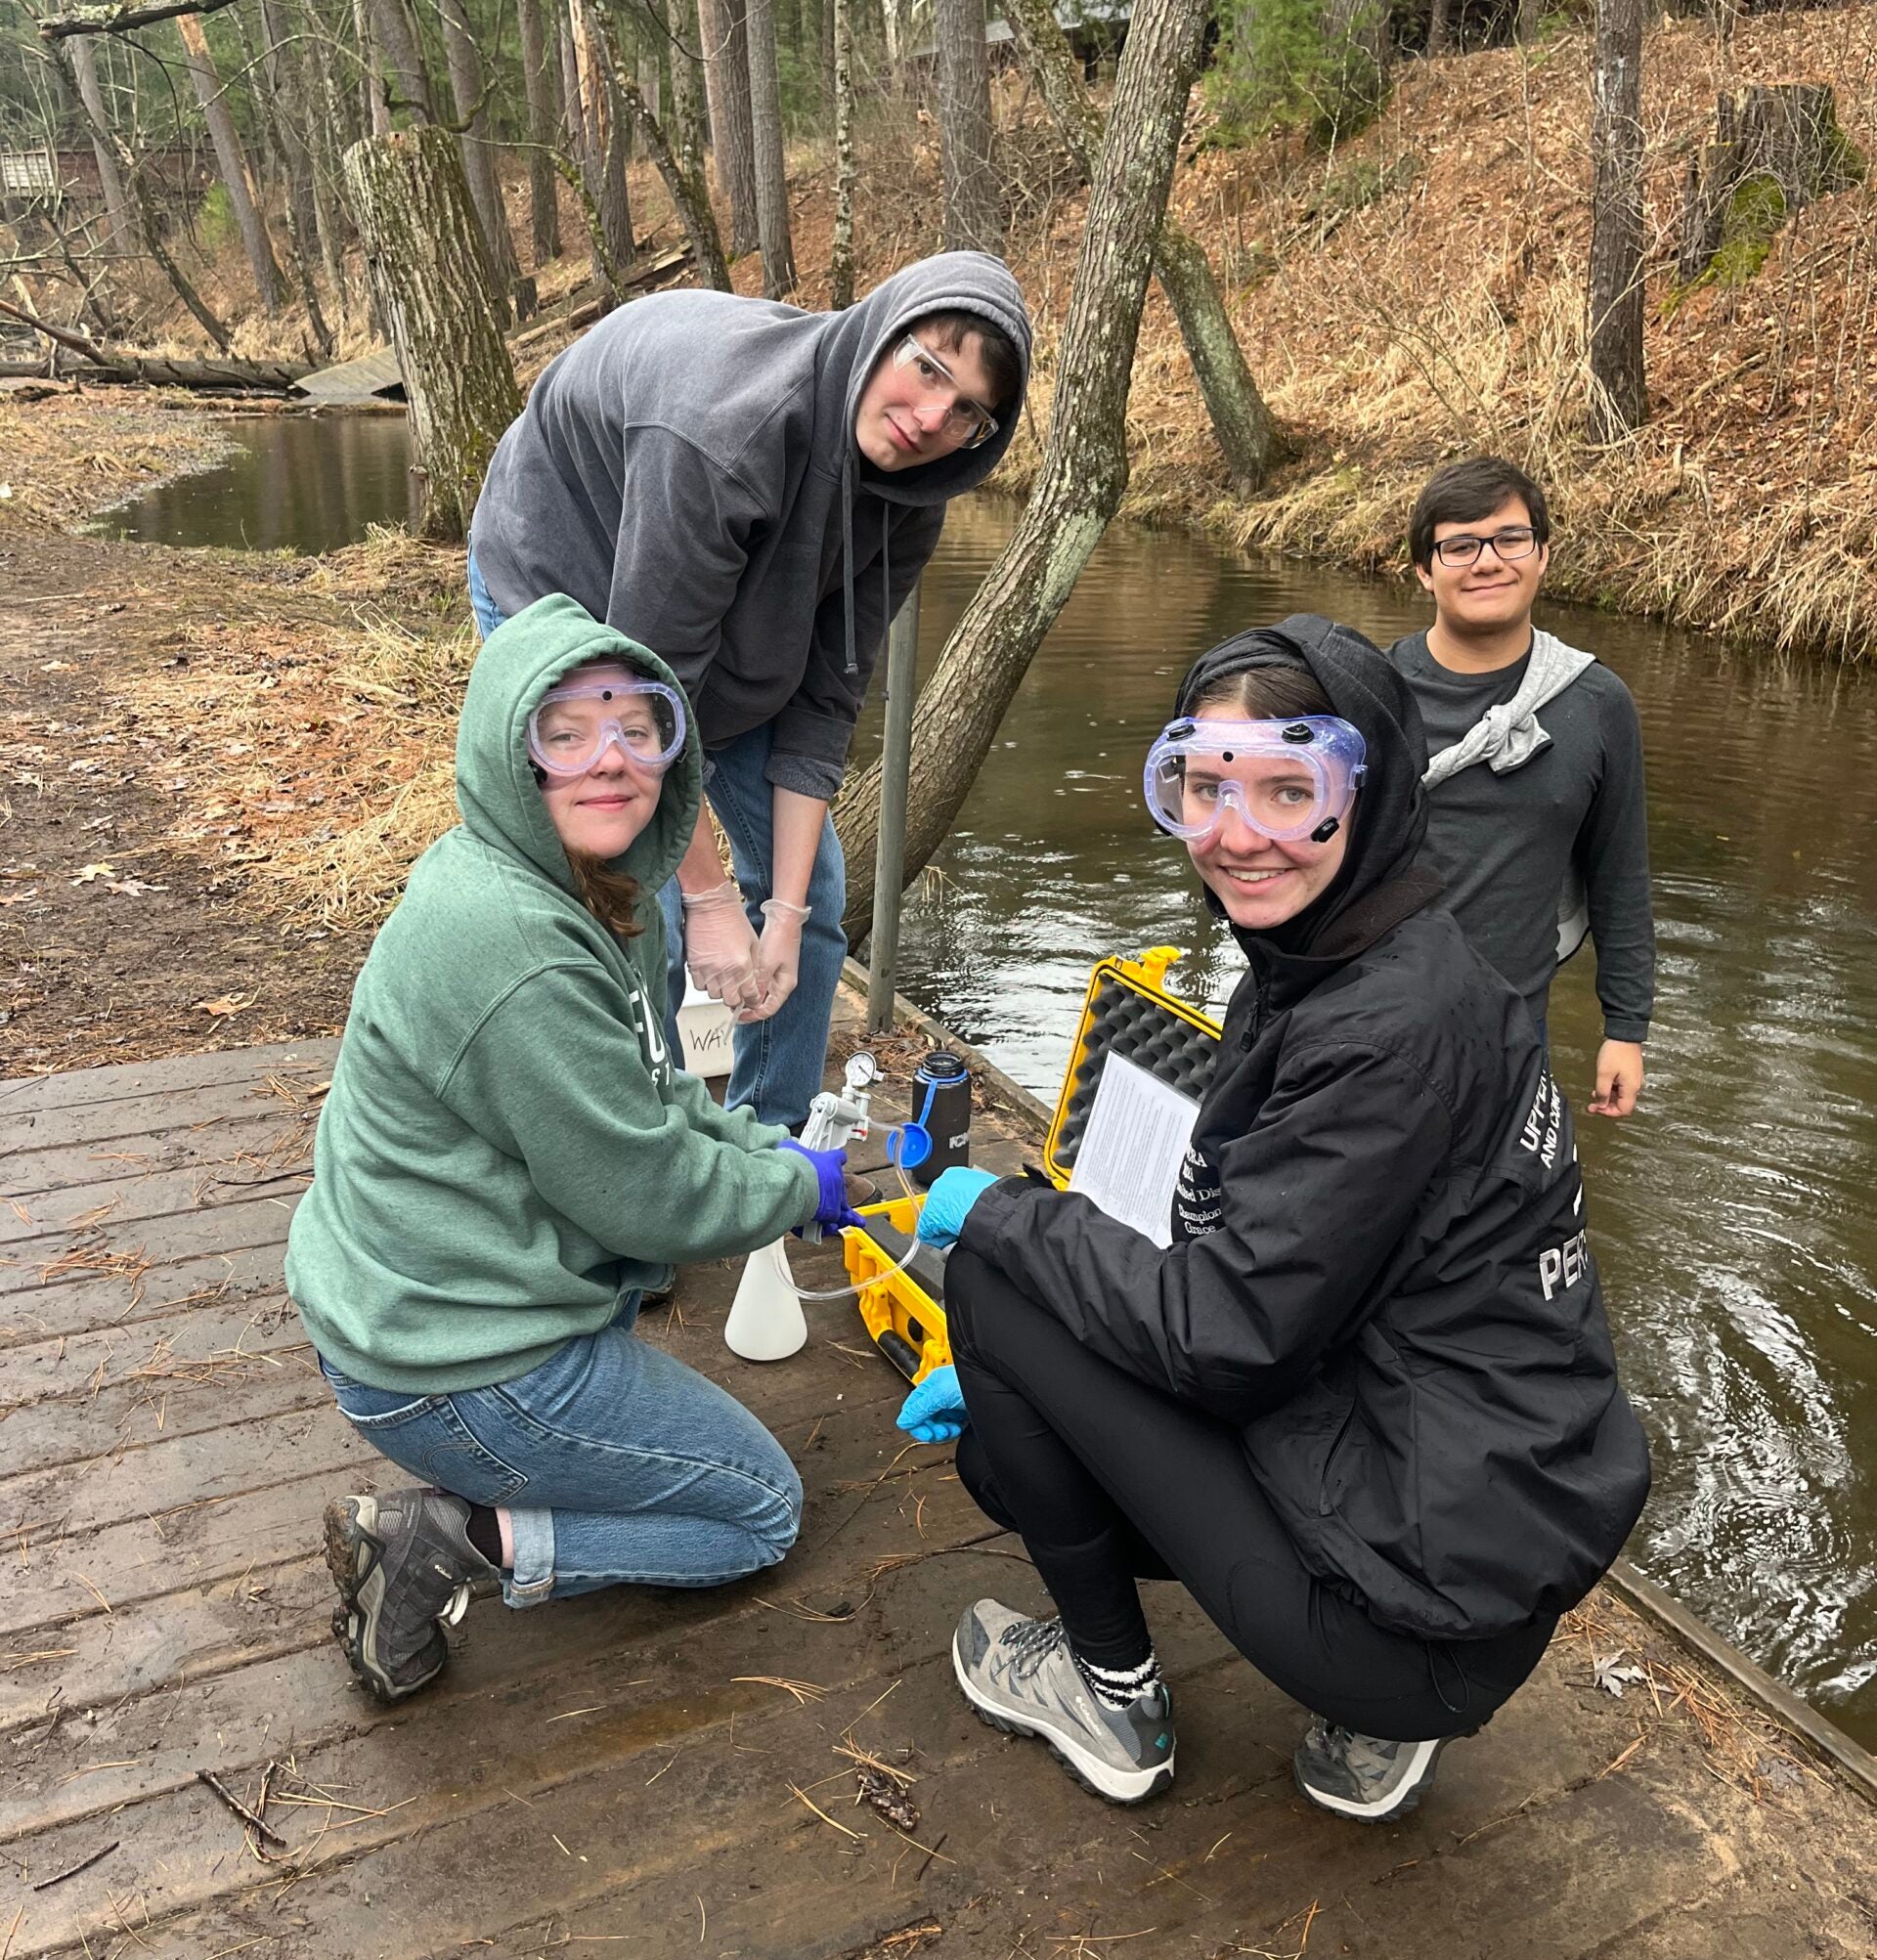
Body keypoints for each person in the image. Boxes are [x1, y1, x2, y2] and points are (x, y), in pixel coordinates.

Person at [892, 616, 1651, 1820]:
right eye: (1200, 789)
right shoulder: (1389, 953)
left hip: (1417, 1620)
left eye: (1291, 790)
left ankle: (1114, 1700)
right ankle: (1372, 1722)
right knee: (1015, 1409)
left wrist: (1000, 1220)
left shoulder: (1383, 1028)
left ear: (1376, 786)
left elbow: (1225, 1335)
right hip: (1487, 1545)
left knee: (995, 1277)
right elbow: (1293, 1273)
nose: (1236, 837)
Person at [285, 594, 867, 1703]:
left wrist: (757, 1143)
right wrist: (791, 1186)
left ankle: (486, 1490)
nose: (610, 760)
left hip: (440, 1296)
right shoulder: (519, 946)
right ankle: (452, 1541)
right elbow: (643, 1192)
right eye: (566, 731)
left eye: (638, 726)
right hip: (442, 1359)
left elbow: (657, 1097)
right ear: (512, 749)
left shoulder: (592, 893)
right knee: (757, 1510)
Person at [466, 254, 1032, 1132]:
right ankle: (635, 1172)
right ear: (884, 334)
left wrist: (782, 912)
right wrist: (710, 899)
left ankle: (771, 1154)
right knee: (635, 904)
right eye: (928, 368)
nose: (931, 418)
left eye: (968, 411)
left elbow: (825, 703)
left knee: (815, 905)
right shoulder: (722, 433)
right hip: (563, 575)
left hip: (712, 641)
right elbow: (641, 706)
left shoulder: (913, 503)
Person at [1387, 456, 1654, 1116]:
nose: (1488, 561)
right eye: (1459, 545)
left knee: (1495, 1215)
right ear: (1424, 569)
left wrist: (1625, 1029)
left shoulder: (1596, 704)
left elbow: (1620, 874)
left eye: (1510, 538)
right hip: (1371, 1013)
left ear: (1542, 554)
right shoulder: (1372, 689)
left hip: (1510, 1028)